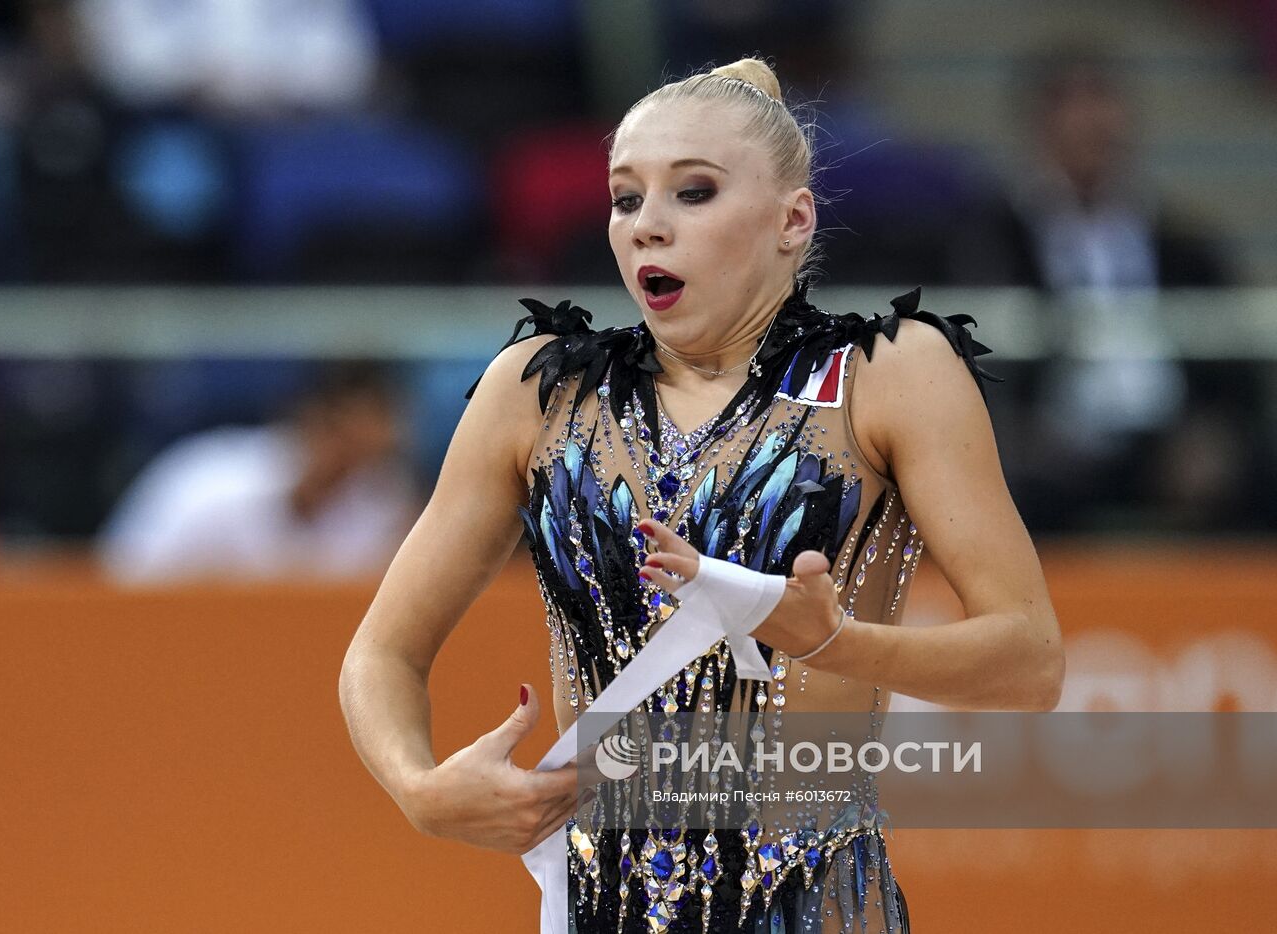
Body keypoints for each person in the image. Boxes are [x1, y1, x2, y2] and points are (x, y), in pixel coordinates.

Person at [340, 58, 1063, 932]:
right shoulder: (538, 394)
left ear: (793, 218)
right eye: (625, 198)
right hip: (602, 902)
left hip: (813, 901)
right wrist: (419, 788)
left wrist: (839, 641)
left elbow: (1029, 660)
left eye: (693, 193)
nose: (648, 226)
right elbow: (381, 655)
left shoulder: (888, 377)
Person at [98, 360, 419, 583]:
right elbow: (123, 579)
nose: (350, 459)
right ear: (312, 419)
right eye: (342, 435)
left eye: (368, 454)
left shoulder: (385, 506)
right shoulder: (206, 482)